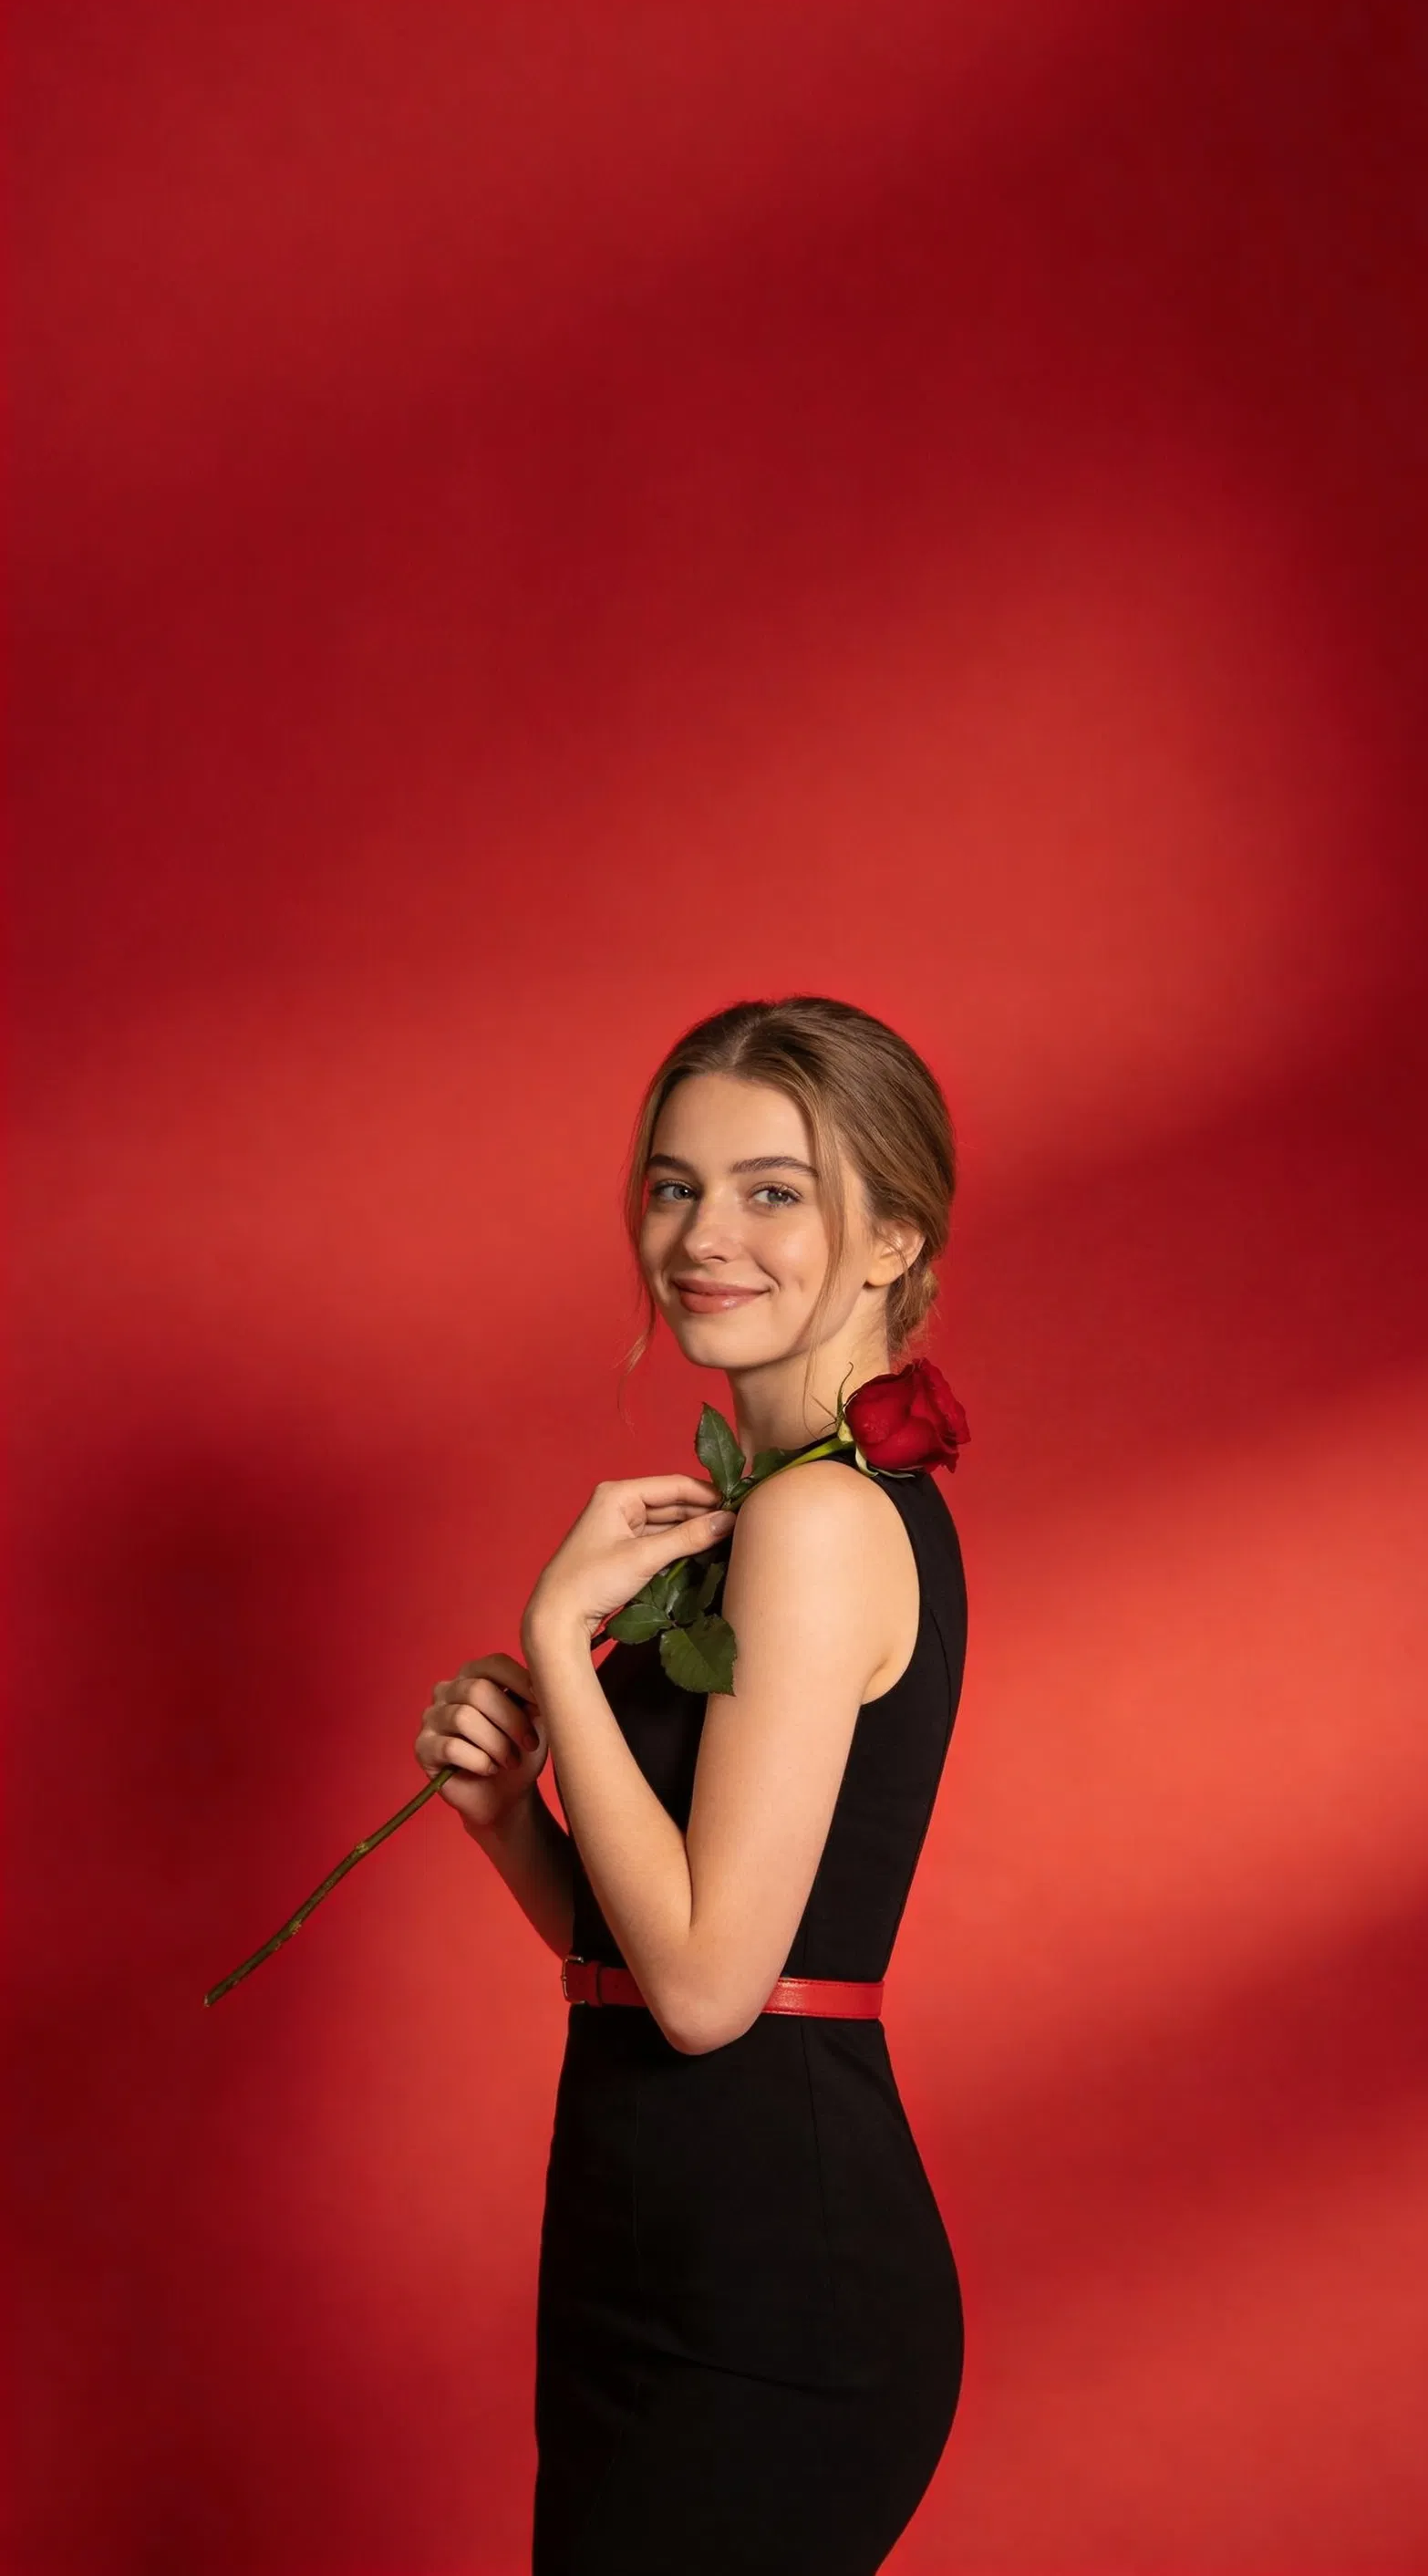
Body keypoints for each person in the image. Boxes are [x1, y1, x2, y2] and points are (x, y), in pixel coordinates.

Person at [413, 994, 968, 2575]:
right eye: (674, 1186)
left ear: (889, 1242)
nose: (703, 1234)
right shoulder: (785, 1514)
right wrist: (519, 1815)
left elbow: (715, 1993)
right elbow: (656, 1967)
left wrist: (553, 1627)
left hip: (764, 2295)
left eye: (772, 1189)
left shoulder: (818, 1522)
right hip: (656, 2250)